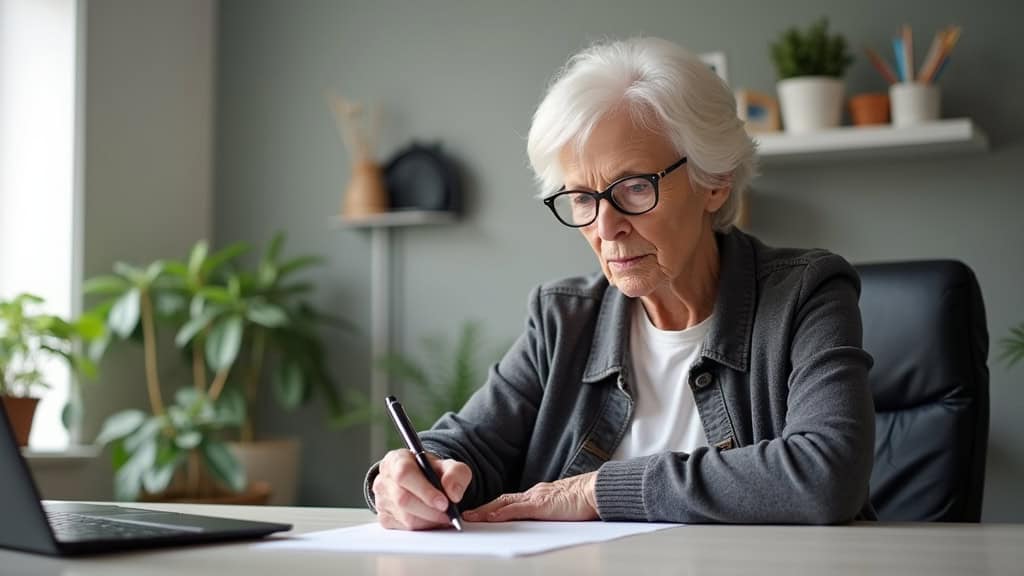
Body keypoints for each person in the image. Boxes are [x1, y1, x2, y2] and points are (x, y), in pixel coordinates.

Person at [365, 36, 875, 529]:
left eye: (634, 187)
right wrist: (411, 478)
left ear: (714, 180)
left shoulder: (807, 293)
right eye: (583, 198)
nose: (606, 228)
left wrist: (593, 490)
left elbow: (826, 474)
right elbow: (468, 445)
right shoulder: (564, 319)